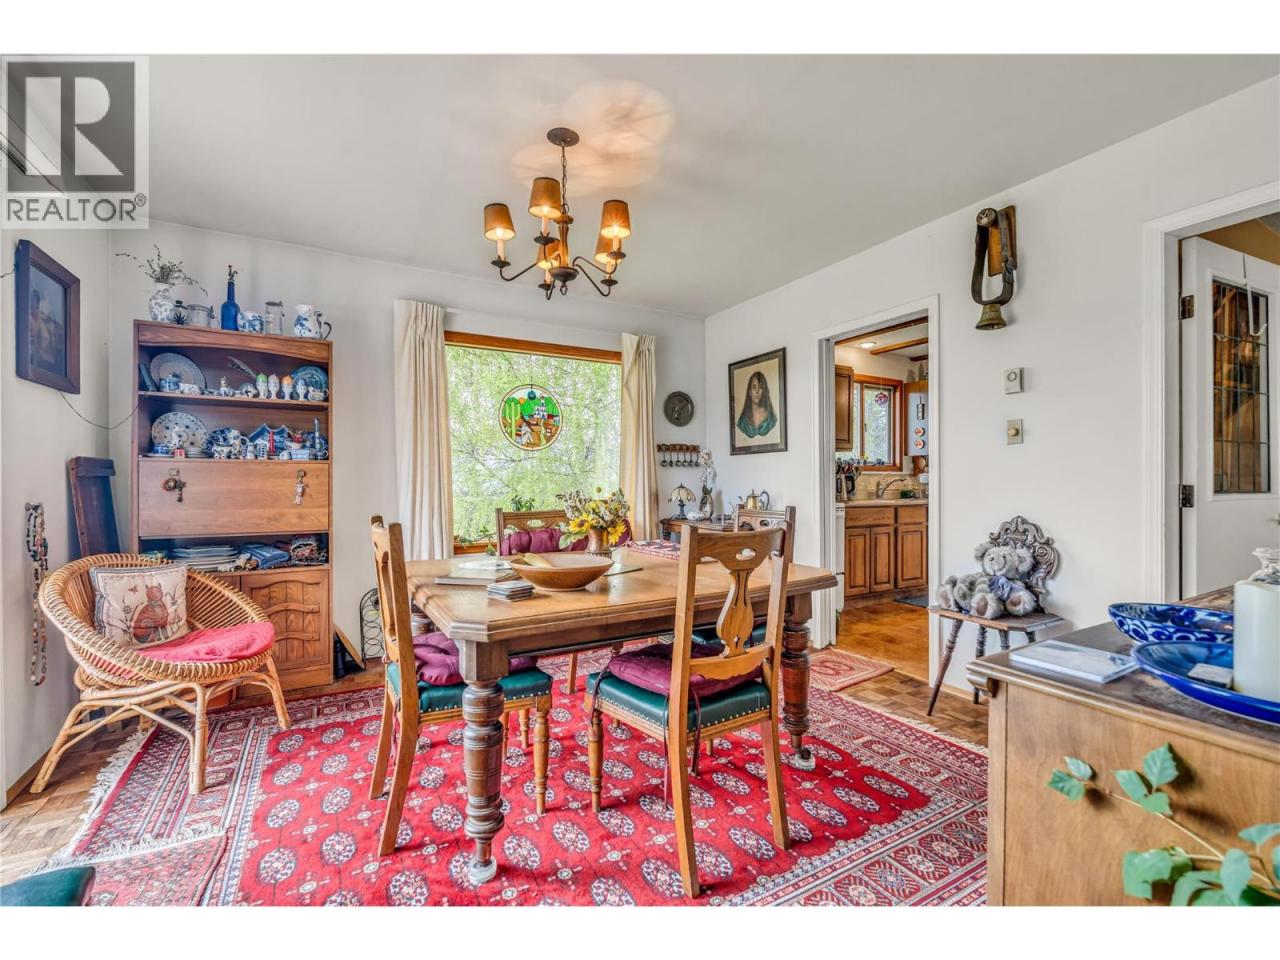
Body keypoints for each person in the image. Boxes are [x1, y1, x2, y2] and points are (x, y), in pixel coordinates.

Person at [736, 370, 777, 438]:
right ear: (749, 392)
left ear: (764, 391)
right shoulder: (743, 421)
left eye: (760, 387)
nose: (757, 391)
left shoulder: (771, 419)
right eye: (754, 387)